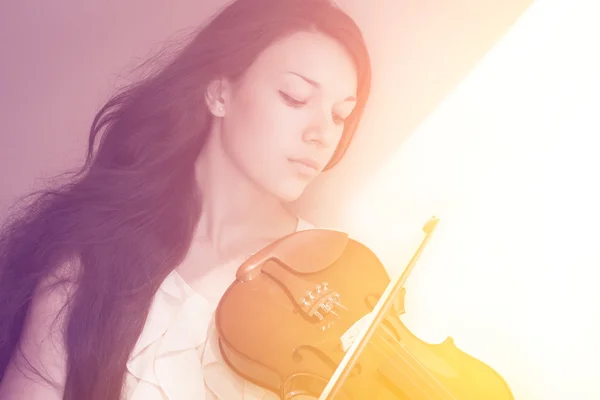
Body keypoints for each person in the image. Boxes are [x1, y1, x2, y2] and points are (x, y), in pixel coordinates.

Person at [0, 0, 372, 398]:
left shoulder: (338, 279)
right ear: (220, 93)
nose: (322, 133)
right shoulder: (95, 250)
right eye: (295, 98)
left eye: (339, 115)